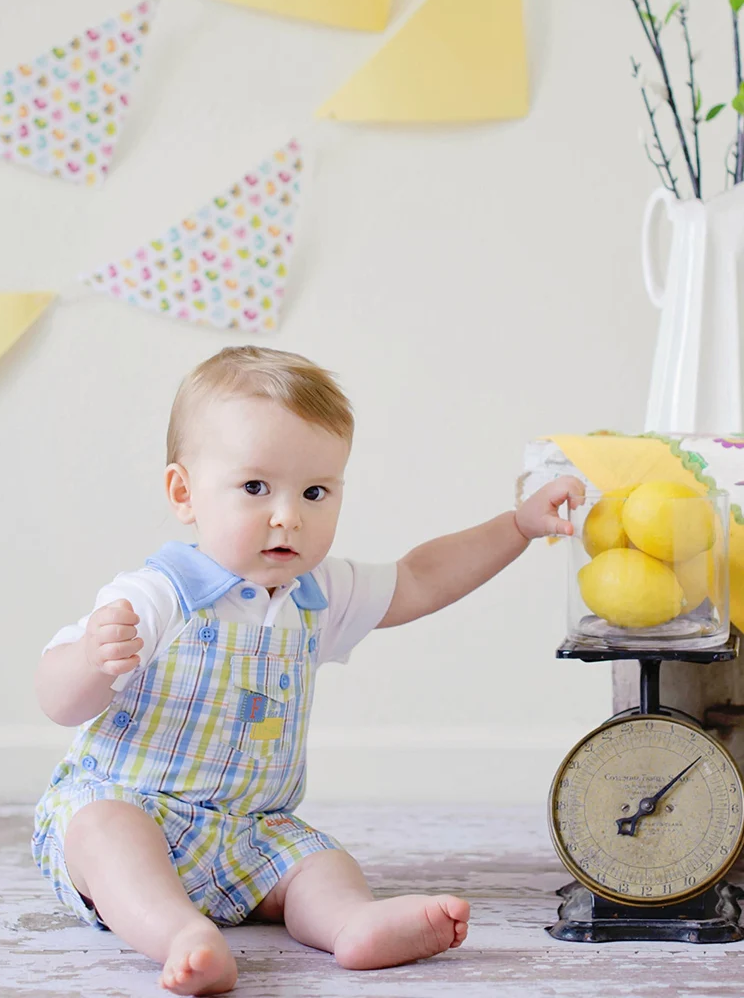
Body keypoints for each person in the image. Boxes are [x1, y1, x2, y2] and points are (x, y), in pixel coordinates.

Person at [32, 346, 583, 995]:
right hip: (135, 809)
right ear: (185, 493)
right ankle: (179, 934)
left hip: (249, 833)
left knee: (317, 862)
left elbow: (421, 577)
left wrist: (517, 526)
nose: (288, 515)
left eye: (315, 492)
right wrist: (91, 662)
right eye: (255, 488)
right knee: (107, 833)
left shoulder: (315, 594)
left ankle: (352, 923)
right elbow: (58, 701)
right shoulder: (159, 595)